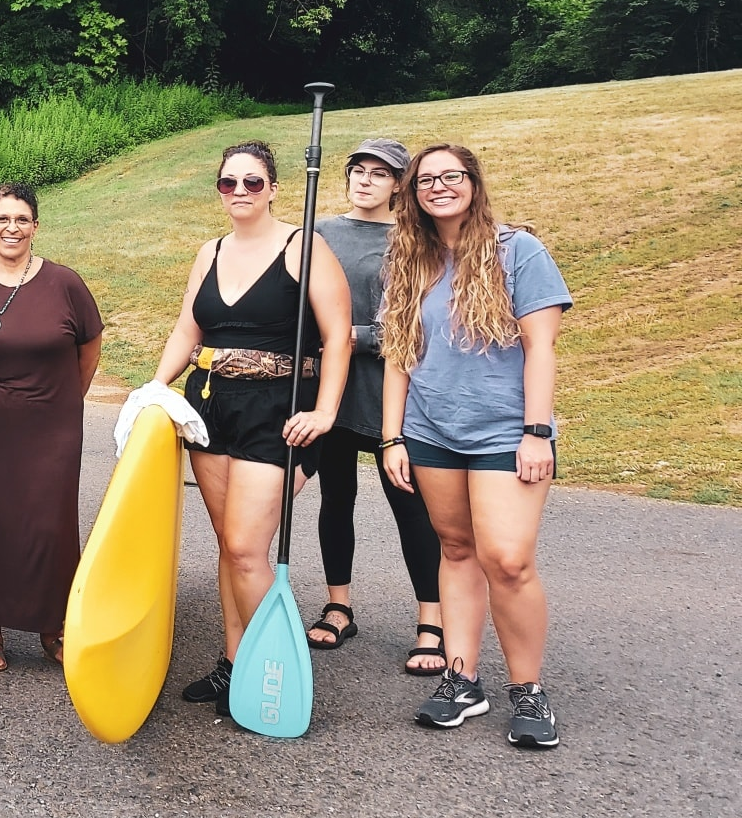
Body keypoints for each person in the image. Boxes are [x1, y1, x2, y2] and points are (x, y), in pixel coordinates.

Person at [378, 144, 571, 749]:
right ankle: (462, 681)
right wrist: (392, 436)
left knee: (507, 560)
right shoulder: (408, 260)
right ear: (411, 195)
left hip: (505, 433)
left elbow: (541, 346)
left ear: (473, 182)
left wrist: (536, 432)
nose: (438, 186)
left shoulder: (518, 251)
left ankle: (528, 689)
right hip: (432, 432)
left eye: (450, 176)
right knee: (457, 549)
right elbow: (397, 357)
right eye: (425, 180)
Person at [152, 140, 352, 717]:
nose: (240, 192)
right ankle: (235, 662)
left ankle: (278, 668)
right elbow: (188, 330)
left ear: (274, 188)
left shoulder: (302, 246)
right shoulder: (209, 250)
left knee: (245, 547)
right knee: (229, 545)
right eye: (228, 183)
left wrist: (326, 412)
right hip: (211, 404)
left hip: (281, 410)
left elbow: (338, 335)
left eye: (252, 182)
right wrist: (155, 386)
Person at [0, 183, 103, 672]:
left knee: (48, 525)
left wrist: (60, 402)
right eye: (2, 219)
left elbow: (90, 348)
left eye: (21, 219)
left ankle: (53, 625)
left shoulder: (65, 284)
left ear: (35, 226)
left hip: (50, 428)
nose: (11, 228)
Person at [310, 139, 448, 675]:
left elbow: (415, 321)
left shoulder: (415, 240)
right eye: (358, 171)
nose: (365, 180)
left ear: (398, 186)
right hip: (332, 393)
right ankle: (339, 605)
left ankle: (431, 621)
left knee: (410, 506)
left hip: (394, 394)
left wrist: (350, 335)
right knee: (334, 497)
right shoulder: (318, 233)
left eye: (379, 174)